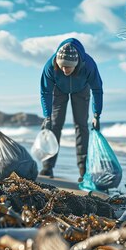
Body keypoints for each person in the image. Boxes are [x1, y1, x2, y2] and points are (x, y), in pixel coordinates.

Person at [39, 38, 104, 181]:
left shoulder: (89, 65)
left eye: (68, 67)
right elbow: (45, 92)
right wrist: (47, 116)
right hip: (59, 89)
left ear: (76, 64)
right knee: (54, 125)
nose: (64, 70)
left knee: (81, 126)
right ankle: (47, 166)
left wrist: (96, 115)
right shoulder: (50, 66)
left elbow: (97, 89)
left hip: (81, 89)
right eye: (61, 67)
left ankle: (83, 171)